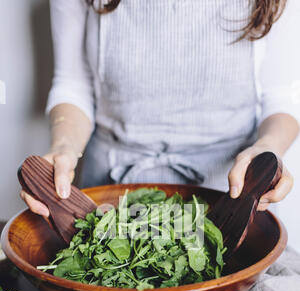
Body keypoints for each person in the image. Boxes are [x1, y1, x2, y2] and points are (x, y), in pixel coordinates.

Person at [21, 0, 300, 216]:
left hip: (229, 193)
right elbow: (73, 84)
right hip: (108, 190)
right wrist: (64, 147)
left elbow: (279, 97)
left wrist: (267, 151)